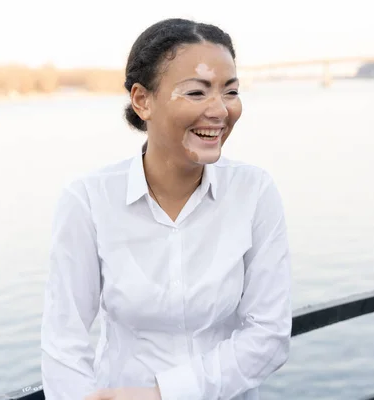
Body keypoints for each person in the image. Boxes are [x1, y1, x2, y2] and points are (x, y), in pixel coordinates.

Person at [40, 18, 292, 400]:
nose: (219, 110)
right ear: (142, 100)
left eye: (231, 91)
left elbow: (269, 336)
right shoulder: (88, 200)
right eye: (196, 92)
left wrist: (160, 394)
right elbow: (63, 342)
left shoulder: (254, 191)